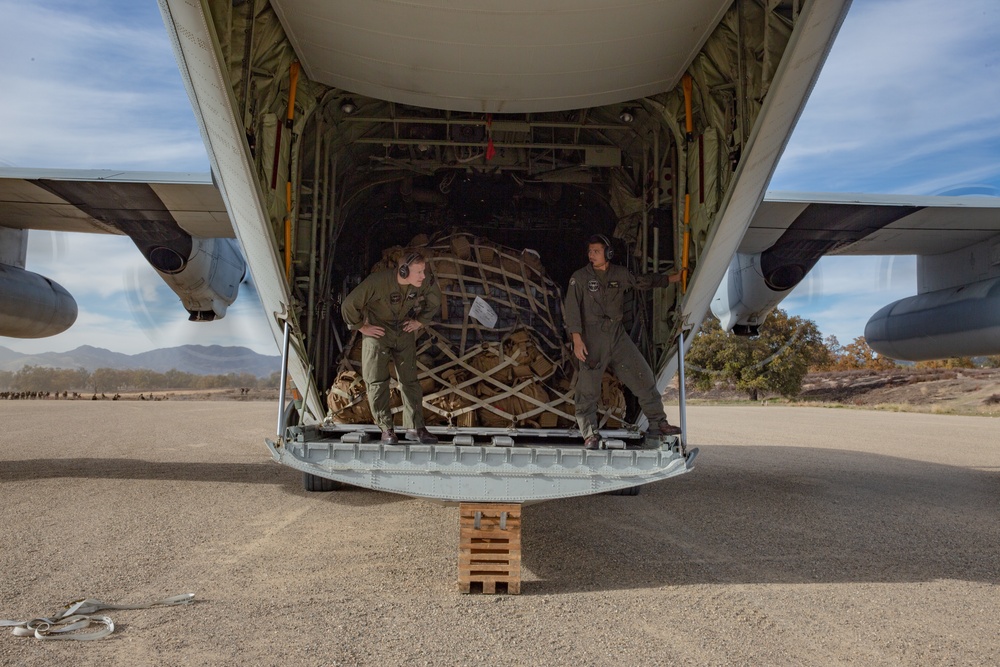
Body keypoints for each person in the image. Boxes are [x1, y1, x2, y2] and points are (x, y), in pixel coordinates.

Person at [563, 234, 682, 449]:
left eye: (596, 251)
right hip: (592, 337)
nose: (591, 255)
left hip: (617, 335)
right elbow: (571, 310)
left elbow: (641, 282)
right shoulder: (579, 278)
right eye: (590, 251)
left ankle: (658, 422)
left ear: (608, 253)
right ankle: (590, 434)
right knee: (588, 389)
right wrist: (577, 339)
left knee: (642, 375)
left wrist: (672, 279)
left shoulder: (619, 273)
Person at [341, 251, 442, 444]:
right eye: (419, 272)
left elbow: (435, 300)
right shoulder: (377, 282)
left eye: (423, 271)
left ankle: (415, 428)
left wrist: (419, 322)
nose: (423, 275)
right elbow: (348, 305)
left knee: (410, 380)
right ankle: (386, 428)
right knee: (377, 381)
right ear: (404, 272)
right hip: (378, 332)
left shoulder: (423, 282)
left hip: (403, 330)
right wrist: (362, 327)